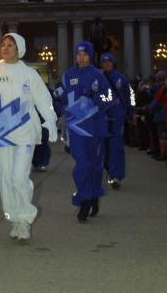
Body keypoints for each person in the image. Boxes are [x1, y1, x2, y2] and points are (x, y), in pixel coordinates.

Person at [0, 33, 58, 242]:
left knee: (19, 178)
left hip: (24, 131)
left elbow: (43, 100)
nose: (5, 48)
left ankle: (25, 220)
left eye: (10, 45)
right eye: (3, 45)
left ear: (19, 49)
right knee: (6, 180)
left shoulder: (29, 75)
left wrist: (50, 121)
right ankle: (14, 218)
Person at [60, 41, 112, 222]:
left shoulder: (98, 76)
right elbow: (60, 95)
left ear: (90, 56)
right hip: (75, 128)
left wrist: (96, 99)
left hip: (94, 127)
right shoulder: (68, 75)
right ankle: (84, 199)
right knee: (82, 164)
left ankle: (94, 194)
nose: (81, 57)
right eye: (78, 54)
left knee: (96, 165)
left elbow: (109, 97)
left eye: (85, 54)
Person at [100, 52, 133, 189]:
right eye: (104, 62)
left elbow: (130, 95)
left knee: (116, 146)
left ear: (113, 63)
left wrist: (130, 111)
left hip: (117, 117)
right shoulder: (98, 78)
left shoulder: (122, 78)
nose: (107, 64)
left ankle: (116, 176)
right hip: (102, 117)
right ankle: (109, 170)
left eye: (109, 61)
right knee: (103, 146)